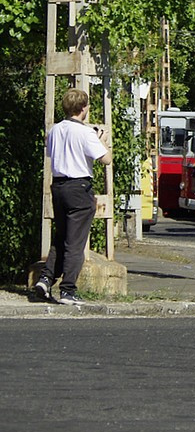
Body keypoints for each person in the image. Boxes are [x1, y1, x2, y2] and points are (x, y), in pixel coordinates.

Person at [34, 87, 113, 305]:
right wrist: (102, 140)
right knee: (75, 243)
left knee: (61, 237)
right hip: (79, 187)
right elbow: (106, 159)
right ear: (83, 108)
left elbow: (52, 154)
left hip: (58, 186)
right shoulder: (86, 132)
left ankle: (46, 278)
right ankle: (68, 289)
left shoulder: (55, 130)